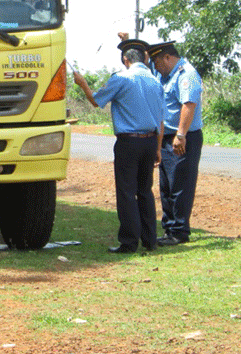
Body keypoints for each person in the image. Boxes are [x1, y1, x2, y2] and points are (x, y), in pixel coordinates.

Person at [73, 39, 164, 253]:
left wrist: (82, 83)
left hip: (129, 141)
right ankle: (150, 240)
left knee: (126, 192)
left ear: (125, 60)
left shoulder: (121, 79)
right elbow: (160, 119)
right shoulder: (155, 82)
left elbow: (96, 101)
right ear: (145, 59)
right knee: (145, 191)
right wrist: (158, 148)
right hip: (151, 140)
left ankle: (129, 242)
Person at [147, 41, 204, 246]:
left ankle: (179, 232)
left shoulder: (186, 74)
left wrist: (180, 135)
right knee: (167, 185)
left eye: (157, 61)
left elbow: (189, 104)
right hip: (167, 137)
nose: (155, 66)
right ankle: (169, 229)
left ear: (168, 58)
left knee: (180, 185)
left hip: (182, 137)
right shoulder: (166, 74)